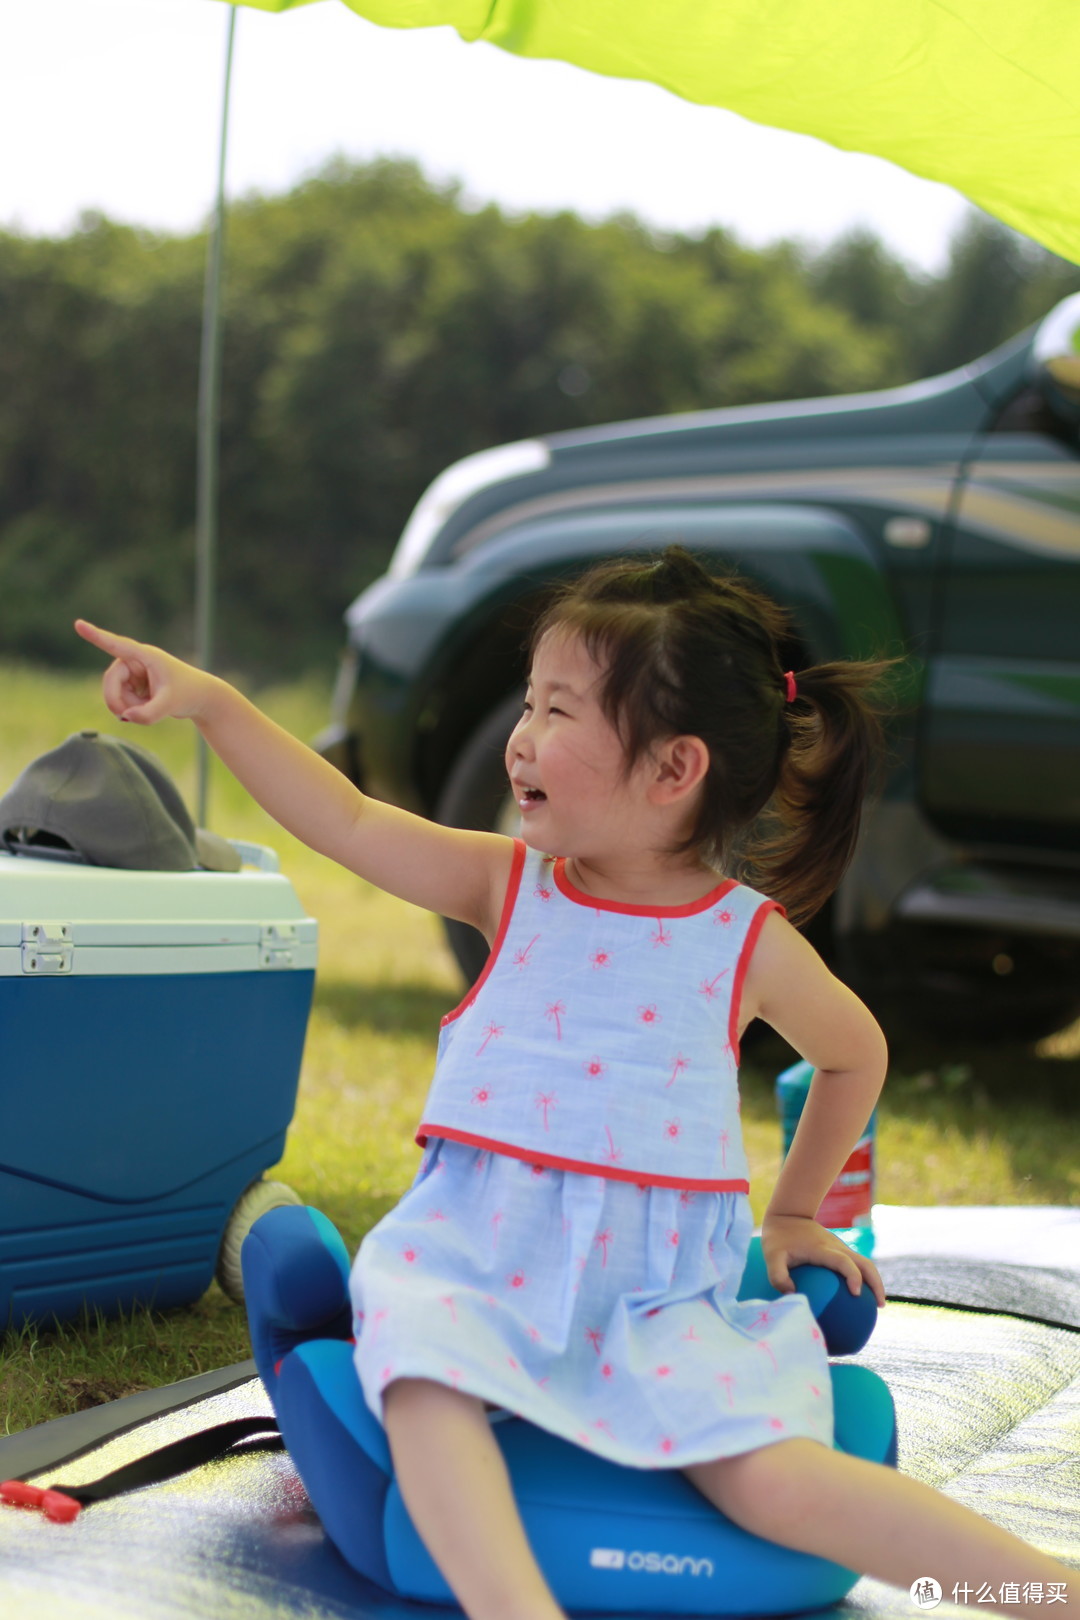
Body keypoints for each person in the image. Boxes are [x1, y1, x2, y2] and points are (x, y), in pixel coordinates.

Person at [75, 548, 1069, 1620]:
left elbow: (855, 1052)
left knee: (769, 1477)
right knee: (425, 1386)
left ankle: (1045, 1591)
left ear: (673, 769)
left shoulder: (746, 941)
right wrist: (214, 706)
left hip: (656, 1301)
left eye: (557, 710)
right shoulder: (512, 888)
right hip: (479, 1263)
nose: (521, 736)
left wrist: (792, 1213)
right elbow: (347, 821)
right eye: (529, 701)